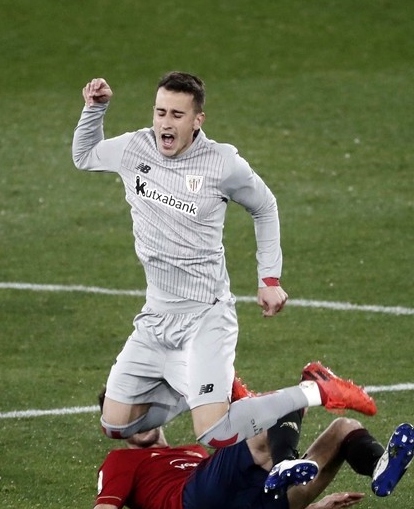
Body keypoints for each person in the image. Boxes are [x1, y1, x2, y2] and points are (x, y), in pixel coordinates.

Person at [72, 73, 377, 448]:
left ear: (197, 120)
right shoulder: (134, 148)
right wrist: (95, 109)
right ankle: (201, 390)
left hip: (205, 316)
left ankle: (315, 390)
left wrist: (270, 279)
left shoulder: (221, 163)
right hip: (155, 317)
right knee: (116, 425)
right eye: (160, 112)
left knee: (215, 433)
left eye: (177, 115)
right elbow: (84, 155)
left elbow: (265, 206)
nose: (166, 123)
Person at [86, 408, 414, 509]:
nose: (136, 420)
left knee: (344, 427)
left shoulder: (195, 453)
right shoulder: (122, 460)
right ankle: (285, 462)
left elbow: (235, 493)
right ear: (116, 428)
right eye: (126, 416)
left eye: (140, 408)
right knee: (279, 409)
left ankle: (378, 466)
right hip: (193, 508)